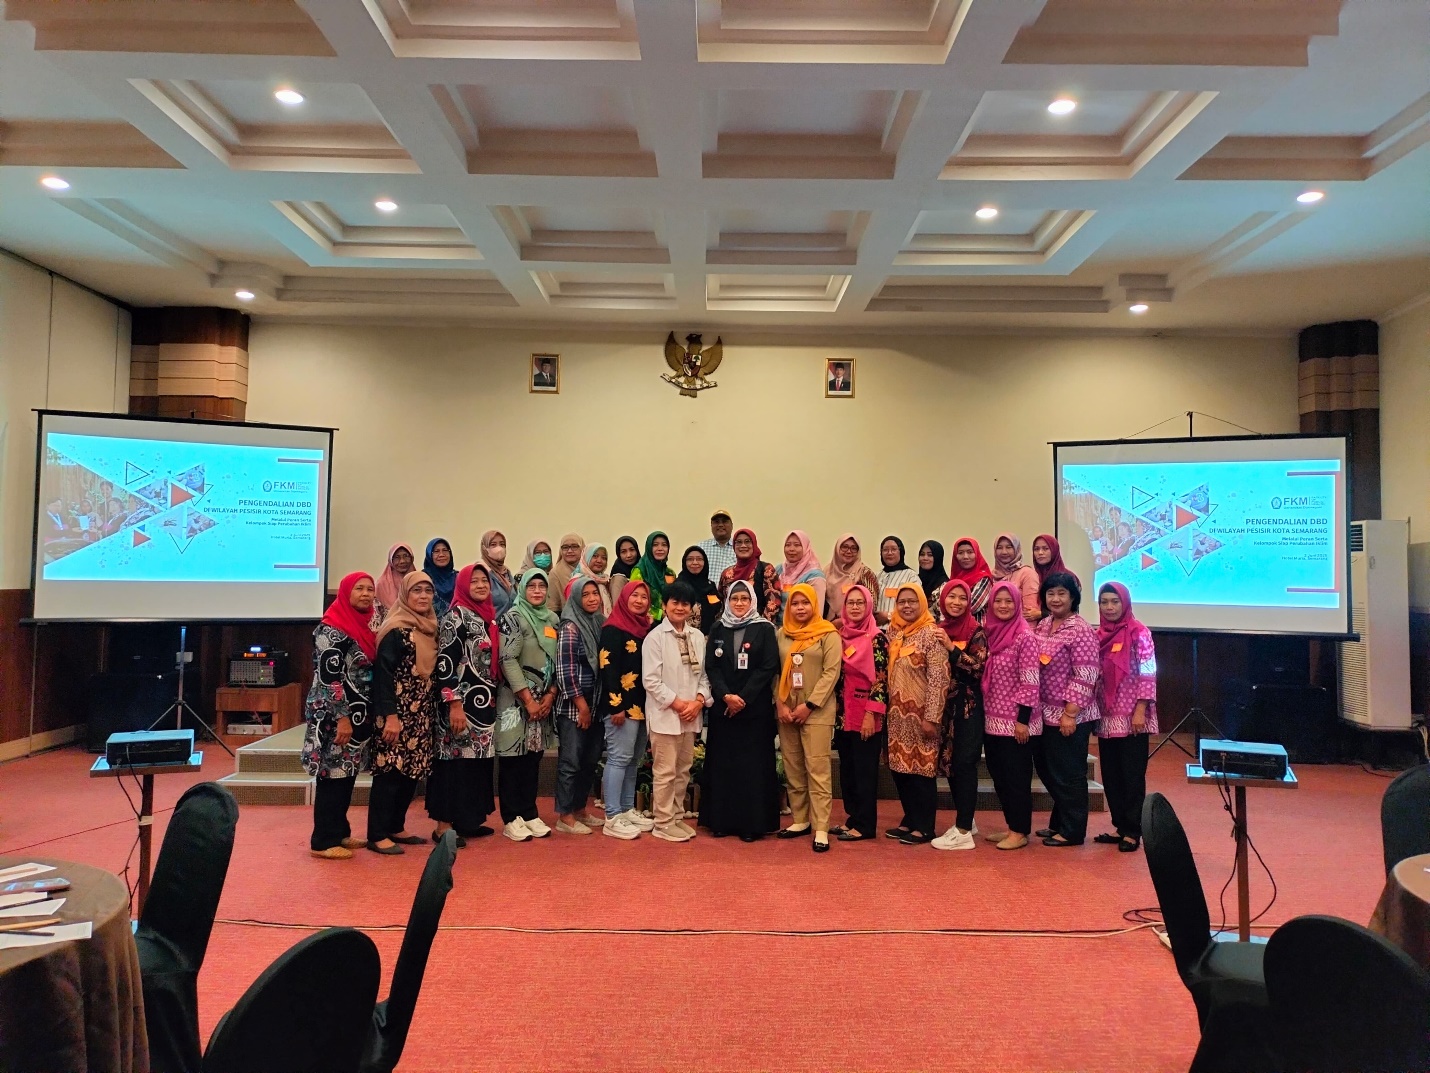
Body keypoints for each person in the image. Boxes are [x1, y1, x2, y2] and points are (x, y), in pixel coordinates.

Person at [302, 572, 377, 859]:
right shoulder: (330, 630)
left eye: (369, 589)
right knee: (332, 774)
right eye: (359, 588)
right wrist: (342, 717)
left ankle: (340, 831)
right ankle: (323, 841)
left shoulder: (363, 625)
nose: (366, 594)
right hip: (335, 715)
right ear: (346, 593)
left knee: (346, 773)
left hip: (357, 713)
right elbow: (330, 678)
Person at [701, 579, 781, 841]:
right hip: (724, 710)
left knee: (752, 768)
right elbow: (711, 666)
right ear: (727, 601)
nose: (738, 603)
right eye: (734, 598)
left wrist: (742, 698)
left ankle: (751, 824)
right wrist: (726, 696)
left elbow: (768, 666)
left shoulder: (764, 628)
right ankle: (721, 821)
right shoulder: (718, 627)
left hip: (753, 710)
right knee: (723, 765)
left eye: (744, 599)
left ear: (752, 601)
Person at [428, 563, 500, 847]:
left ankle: (467, 821)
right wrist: (454, 703)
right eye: (474, 581)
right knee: (452, 765)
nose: (481, 585)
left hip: (483, 705)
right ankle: (443, 827)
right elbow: (445, 663)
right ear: (463, 586)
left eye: (485, 581)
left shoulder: (486, 616)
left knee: (474, 766)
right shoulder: (455, 617)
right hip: (460, 705)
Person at [368, 571, 439, 855]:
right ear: (405, 595)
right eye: (416, 591)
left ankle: (396, 826)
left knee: (411, 772)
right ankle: (376, 833)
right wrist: (391, 716)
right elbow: (383, 677)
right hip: (395, 714)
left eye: (428, 591)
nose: (423, 596)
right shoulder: (395, 629)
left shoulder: (430, 627)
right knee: (389, 773)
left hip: (419, 715)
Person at [1030, 571, 1101, 847]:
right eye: (1051, 593)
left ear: (1073, 597)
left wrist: (1070, 713)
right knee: (1048, 770)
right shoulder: (1044, 624)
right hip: (1044, 712)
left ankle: (1073, 830)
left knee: (1069, 773)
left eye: (1062, 593)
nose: (1056, 599)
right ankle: (1059, 823)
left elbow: (1086, 674)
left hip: (1071, 714)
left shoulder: (1081, 630)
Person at [774, 583, 842, 853]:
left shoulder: (828, 633)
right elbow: (775, 671)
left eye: (805, 603)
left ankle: (821, 827)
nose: (800, 608)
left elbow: (831, 673)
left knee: (817, 769)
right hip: (787, 711)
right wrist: (780, 703)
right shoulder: (782, 634)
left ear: (815, 605)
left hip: (817, 711)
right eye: (795, 603)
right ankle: (800, 819)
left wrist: (810, 705)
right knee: (793, 767)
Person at [641, 581, 711, 843]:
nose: (680, 608)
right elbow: (651, 680)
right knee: (665, 771)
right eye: (675, 603)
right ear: (664, 605)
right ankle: (662, 821)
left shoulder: (697, 637)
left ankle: (677, 816)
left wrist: (699, 701)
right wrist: (680, 704)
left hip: (691, 715)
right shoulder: (655, 638)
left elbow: (704, 676)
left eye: (685, 604)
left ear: (691, 608)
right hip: (666, 716)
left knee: (683, 770)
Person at [883, 584, 952, 846]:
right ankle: (911, 819)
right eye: (902, 602)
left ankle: (925, 827)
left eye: (912, 601)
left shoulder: (931, 634)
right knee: (901, 770)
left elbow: (939, 678)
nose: (907, 606)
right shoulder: (894, 632)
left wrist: (932, 718)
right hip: (896, 717)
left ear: (922, 603)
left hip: (922, 716)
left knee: (921, 770)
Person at [496, 568, 560, 842]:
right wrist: (528, 700)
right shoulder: (512, 617)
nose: (536, 591)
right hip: (517, 700)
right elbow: (507, 659)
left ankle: (529, 812)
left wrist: (551, 694)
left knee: (533, 757)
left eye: (541, 586)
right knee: (514, 758)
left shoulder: (552, 619)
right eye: (531, 586)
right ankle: (512, 818)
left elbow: (557, 660)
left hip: (543, 700)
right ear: (522, 589)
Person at [1094, 582, 1158, 852]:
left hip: (1133, 715)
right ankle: (1120, 825)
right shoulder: (1099, 634)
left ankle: (1133, 830)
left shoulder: (1139, 632)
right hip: (1106, 715)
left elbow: (1148, 671)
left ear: (1125, 603)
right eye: (1104, 602)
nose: (1109, 607)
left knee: (1132, 775)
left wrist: (1140, 710)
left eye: (1115, 602)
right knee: (1111, 775)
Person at [980, 581, 1042, 850]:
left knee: (1016, 779)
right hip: (992, 720)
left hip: (1016, 722)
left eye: (1008, 601)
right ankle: (1012, 826)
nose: (1003, 606)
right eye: (998, 601)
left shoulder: (1025, 636)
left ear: (1017, 604)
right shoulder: (990, 632)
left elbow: (1030, 681)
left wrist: (1022, 721)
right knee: (1000, 777)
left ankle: (1020, 830)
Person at [595, 581, 656, 840]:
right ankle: (612, 816)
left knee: (633, 761)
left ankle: (627, 808)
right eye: (635, 596)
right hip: (620, 707)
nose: (639, 601)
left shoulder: (645, 630)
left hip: (642, 707)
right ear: (624, 598)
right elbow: (607, 668)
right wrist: (616, 706)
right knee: (618, 758)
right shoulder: (613, 628)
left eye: (644, 597)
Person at [932, 580, 988, 851]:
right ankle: (968, 820)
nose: (956, 602)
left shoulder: (976, 631)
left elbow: (979, 668)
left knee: (965, 763)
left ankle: (963, 831)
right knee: (952, 764)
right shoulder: (938, 628)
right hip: (945, 708)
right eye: (951, 597)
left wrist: (952, 649)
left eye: (962, 598)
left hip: (968, 707)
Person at [831, 584, 887, 842]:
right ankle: (853, 818)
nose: (855, 607)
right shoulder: (840, 635)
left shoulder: (877, 637)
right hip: (843, 713)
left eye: (860, 603)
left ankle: (865, 825)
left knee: (865, 772)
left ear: (869, 606)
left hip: (866, 713)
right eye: (850, 603)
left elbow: (882, 680)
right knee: (848, 770)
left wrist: (871, 714)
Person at [553, 577, 607, 834]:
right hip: (575, 708)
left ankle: (579, 809)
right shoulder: (570, 627)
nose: (592, 599)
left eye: (595, 593)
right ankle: (564, 816)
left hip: (595, 705)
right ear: (575, 598)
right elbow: (565, 671)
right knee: (571, 761)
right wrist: (582, 707)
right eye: (585, 595)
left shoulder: (599, 622)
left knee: (589, 761)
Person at [717, 528, 783, 623]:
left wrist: (761, 626)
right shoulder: (726, 574)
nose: (743, 545)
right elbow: (722, 604)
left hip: (759, 626)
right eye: (739, 542)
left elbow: (773, 603)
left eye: (747, 541)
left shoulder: (766, 570)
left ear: (754, 544)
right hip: (730, 626)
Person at [823, 533, 879, 627]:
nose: (849, 551)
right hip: (829, 627)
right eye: (845, 547)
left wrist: (844, 621)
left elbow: (871, 605)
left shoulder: (865, 573)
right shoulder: (827, 572)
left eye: (854, 548)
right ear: (837, 549)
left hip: (857, 627)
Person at [777, 530, 826, 624]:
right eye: (788, 545)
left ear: (806, 547)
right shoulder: (779, 570)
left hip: (803, 628)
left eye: (797, 545)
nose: (791, 549)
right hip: (779, 628)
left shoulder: (815, 575)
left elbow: (817, 612)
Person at [991, 533, 1041, 622]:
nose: (1004, 552)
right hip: (995, 628)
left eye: (1009, 547)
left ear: (1016, 549)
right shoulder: (992, 575)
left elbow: (1029, 614)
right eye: (999, 547)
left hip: (1019, 628)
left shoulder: (1027, 573)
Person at [630, 531, 676, 622]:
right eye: (655, 545)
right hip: (644, 621)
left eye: (664, 545)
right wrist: (659, 614)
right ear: (648, 547)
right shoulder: (640, 571)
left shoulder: (670, 573)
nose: (660, 549)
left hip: (669, 621)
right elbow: (633, 600)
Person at [676, 545, 721, 634]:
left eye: (699, 559)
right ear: (684, 562)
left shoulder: (710, 586)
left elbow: (718, 610)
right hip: (683, 636)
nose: (695, 562)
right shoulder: (677, 587)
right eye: (690, 559)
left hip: (709, 637)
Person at [874, 536, 918, 626]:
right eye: (885, 550)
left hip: (900, 629)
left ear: (901, 552)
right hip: (876, 630)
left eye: (893, 549)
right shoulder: (877, 575)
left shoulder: (911, 576)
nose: (889, 553)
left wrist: (889, 616)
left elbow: (916, 606)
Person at [949, 537, 994, 622]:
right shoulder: (954, 578)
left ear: (977, 554)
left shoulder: (984, 578)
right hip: (953, 625)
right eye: (960, 553)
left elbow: (972, 606)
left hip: (974, 627)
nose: (965, 557)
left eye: (970, 552)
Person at [373, 542, 415, 625]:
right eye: (397, 557)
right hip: (389, 627)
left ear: (411, 558)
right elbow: (377, 615)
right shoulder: (382, 584)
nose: (402, 561)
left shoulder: (417, 581)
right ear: (391, 561)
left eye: (406, 556)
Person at [569, 542, 615, 614]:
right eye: (595, 556)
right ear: (586, 557)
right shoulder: (576, 582)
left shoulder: (604, 581)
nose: (599, 561)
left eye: (604, 558)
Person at [480, 530, 517, 617]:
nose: (499, 548)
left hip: (510, 624)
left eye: (502, 544)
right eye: (493, 544)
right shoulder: (481, 572)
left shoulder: (507, 573)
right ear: (484, 548)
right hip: (490, 624)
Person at [548, 533, 585, 615]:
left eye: (574, 546)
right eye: (565, 547)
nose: (570, 551)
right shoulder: (556, 573)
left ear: (582, 549)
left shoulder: (588, 569)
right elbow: (553, 607)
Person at [697, 509, 737, 580]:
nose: (720, 525)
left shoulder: (739, 548)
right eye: (716, 522)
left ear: (732, 526)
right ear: (711, 526)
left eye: (724, 521)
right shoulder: (701, 548)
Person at [423, 537, 458, 617]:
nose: (441, 555)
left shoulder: (458, 577)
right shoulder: (423, 578)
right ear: (429, 555)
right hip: (428, 622)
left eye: (445, 550)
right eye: (436, 551)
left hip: (456, 622)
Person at [917, 541, 950, 613]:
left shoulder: (945, 586)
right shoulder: (915, 581)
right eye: (922, 554)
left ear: (938, 558)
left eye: (930, 555)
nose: (925, 558)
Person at [608, 534, 641, 605]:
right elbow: (618, 605)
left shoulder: (642, 569)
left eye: (632, 550)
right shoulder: (618, 577)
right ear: (618, 554)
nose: (629, 555)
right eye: (623, 552)